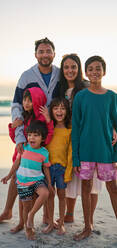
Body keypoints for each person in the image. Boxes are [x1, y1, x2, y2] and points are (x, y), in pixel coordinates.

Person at [0, 37, 59, 228]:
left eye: (48, 51)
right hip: (30, 133)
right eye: (41, 51)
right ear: (35, 54)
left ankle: (48, 217)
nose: (45, 54)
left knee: (48, 173)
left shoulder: (60, 74)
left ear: (54, 53)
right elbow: (16, 105)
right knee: (19, 171)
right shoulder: (26, 76)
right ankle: (7, 210)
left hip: (50, 132)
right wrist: (20, 136)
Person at [72, 55, 117, 241]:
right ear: (86, 72)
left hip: (106, 151)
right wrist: (75, 157)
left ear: (104, 72)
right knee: (86, 187)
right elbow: (76, 127)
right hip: (86, 151)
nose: (94, 72)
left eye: (98, 68)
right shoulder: (81, 96)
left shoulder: (112, 97)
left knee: (113, 188)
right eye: (90, 69)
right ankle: (88, 225)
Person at [58, 54, 102, 225]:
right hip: (68, 137)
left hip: (87, 138)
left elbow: (100, 110)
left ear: (79, 69)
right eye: (66, 67)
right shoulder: (60, 89)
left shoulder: (86, 87)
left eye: (73, 67)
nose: (70, 70)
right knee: (71, 178)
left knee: (91, 181)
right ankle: (69, 213)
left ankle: (89, 219)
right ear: (63, 70)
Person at [0, 120, 54, 240]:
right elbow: (17, 163)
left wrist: (49, 183)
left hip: (37, 180)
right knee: (26, 206)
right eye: (29, 135)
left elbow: (46, 168)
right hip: (23, 182)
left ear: (43, 138)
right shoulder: (24, 147)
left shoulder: (44, 152)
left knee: (45, 193)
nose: (31, 138)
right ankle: (28, 229)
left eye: (36, 135)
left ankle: (32, 214)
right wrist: (8, 176)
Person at [42, 98, 72, 235]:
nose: (59, 111)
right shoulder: (49, 129)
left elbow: (70, 154)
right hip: (48, 169)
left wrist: (68, 173)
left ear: (67, 111)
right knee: (49, 196)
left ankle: (61, 224)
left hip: (61, 169)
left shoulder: (69, 131)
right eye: (56, 108)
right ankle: (50, 222)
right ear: (51, 111)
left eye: (62, 108)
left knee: (61, 195)